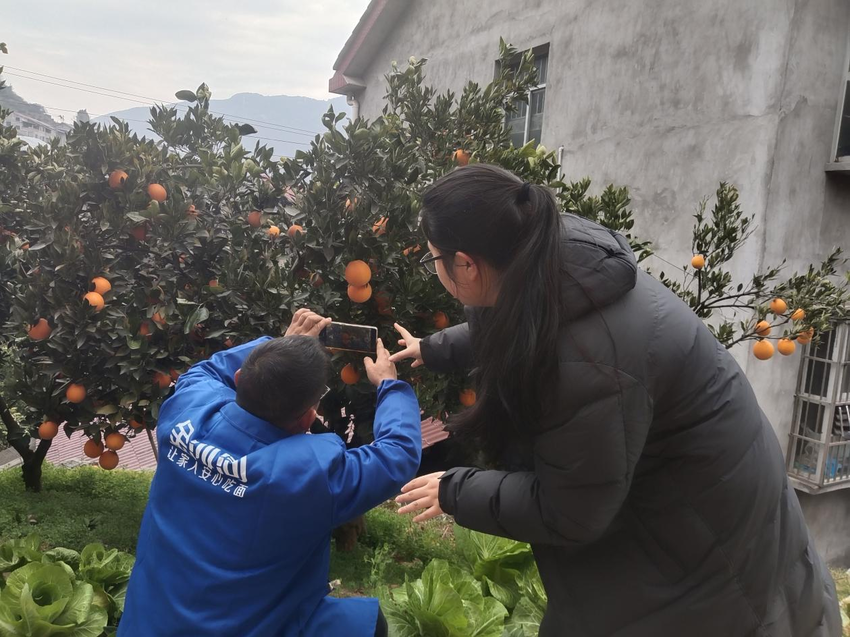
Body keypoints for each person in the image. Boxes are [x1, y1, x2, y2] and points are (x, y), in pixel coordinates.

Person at [390, 164, 841, 637]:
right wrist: (433, 348)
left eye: (433, 258)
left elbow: (570, 511)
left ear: (466, 264)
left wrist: (455, 490)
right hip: (701, 533)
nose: (434, 268)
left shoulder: (587, 363)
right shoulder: (550, 262)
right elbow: (517, 323)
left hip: (714, 578)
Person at [120, 309, 421, 637]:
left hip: (150, 621)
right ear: (307, 419)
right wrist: (389, 384)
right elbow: (397, 454)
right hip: (245, 626)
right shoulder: (307, 474)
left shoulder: (185, 411)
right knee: (366, 625)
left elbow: (208, 370)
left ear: (239, 380)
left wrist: (280, 346)